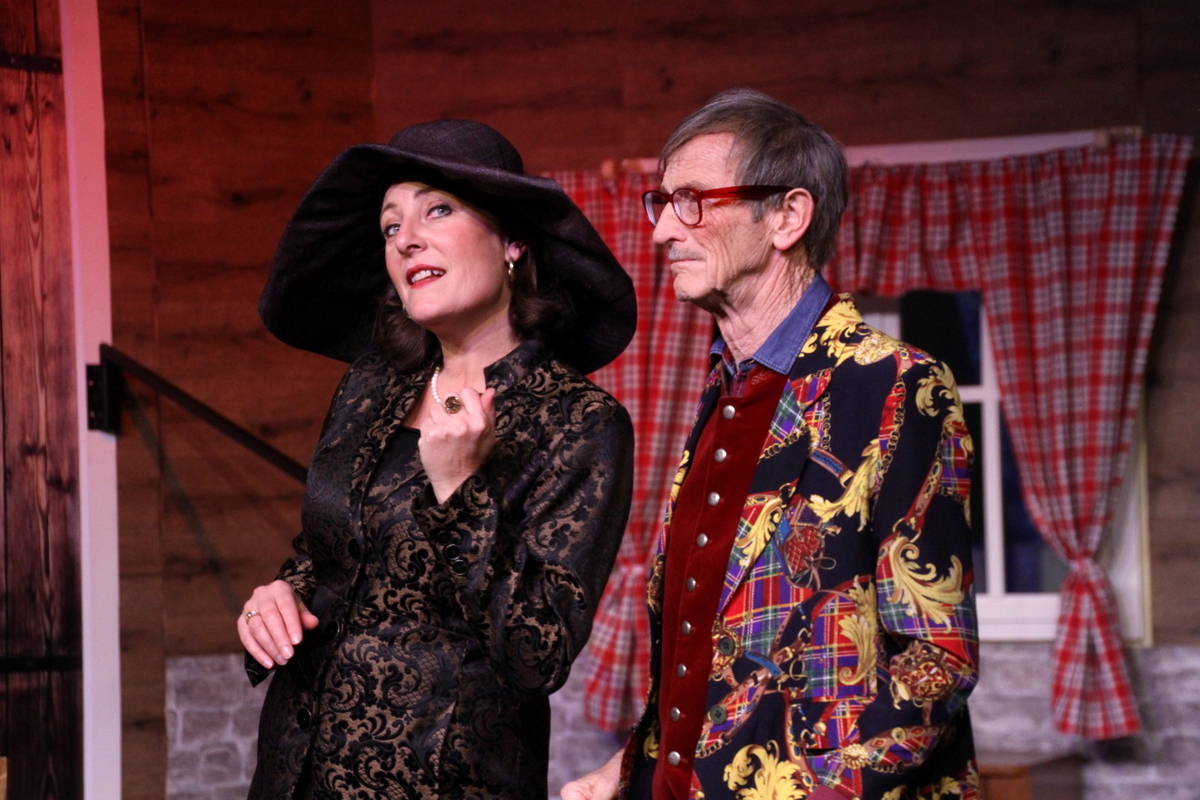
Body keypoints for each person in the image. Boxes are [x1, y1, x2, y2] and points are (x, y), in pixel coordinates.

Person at [563, 89, 978, 800]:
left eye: (691, 201)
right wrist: (631, 767)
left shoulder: (893, 384)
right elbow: (710, 658)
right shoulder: (725, 392)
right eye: (661, 202)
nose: (662, 231)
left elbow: (935, 664)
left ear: (787, 216)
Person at [239, 118, 637, 800]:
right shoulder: (371, 385)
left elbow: (538, 655)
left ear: (512, 241)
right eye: (391, 226)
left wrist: (459, 491)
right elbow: (329, 555)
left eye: (439, 210)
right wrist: (279, 597)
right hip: (295, 769)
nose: (406, 239)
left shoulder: (579, 422)